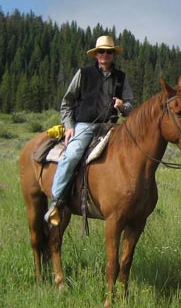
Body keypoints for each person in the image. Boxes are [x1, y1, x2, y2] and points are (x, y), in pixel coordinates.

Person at [44, 35, 134, 225]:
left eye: (109, 52)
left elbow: (131, 106)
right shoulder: (83, 74)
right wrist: (69, 127)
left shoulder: (121, 77)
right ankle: (56, 201)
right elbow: (67, 103)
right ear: (96, 55)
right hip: (86, 125)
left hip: (111, 125)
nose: (105, 55)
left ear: (113, 55)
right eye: (101, 51)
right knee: (73, 154)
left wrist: (123, 106)